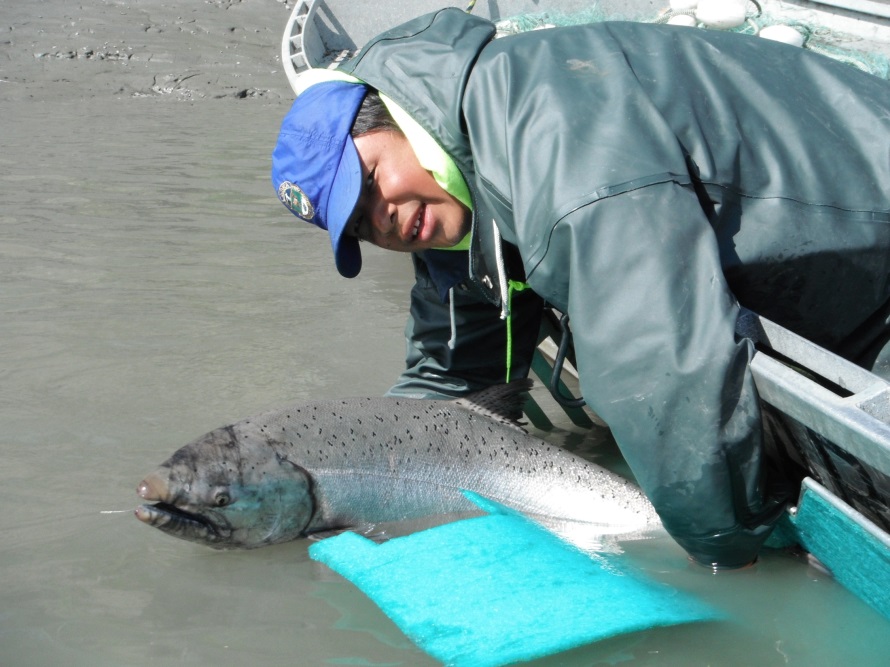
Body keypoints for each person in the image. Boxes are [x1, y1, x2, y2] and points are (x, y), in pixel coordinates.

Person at [271, 8, 890, 568]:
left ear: (390, 114)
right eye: (359, 226)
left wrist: (728, 553)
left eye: (371, 181)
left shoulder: (547, 138)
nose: (381, 218)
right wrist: (353, 467)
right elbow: (454, 372)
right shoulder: (453, 189)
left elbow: (662, 368)